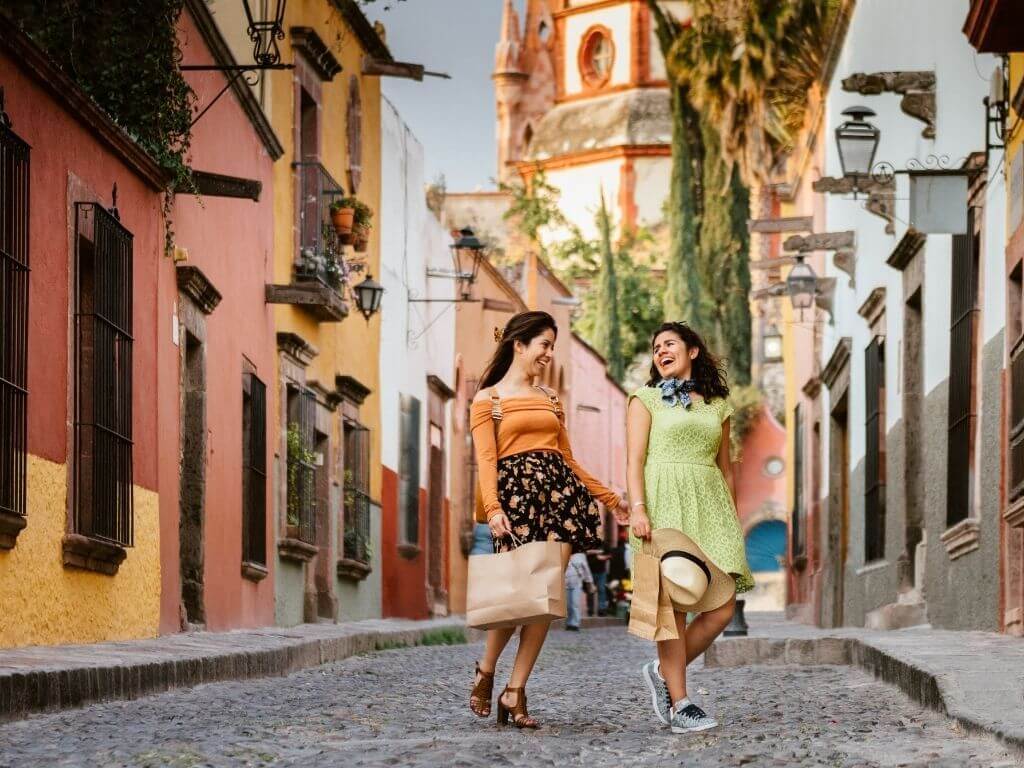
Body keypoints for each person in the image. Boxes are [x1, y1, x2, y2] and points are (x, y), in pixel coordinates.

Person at [468, 311, 628, 728]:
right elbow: (486, 461)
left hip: (559, 503)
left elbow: (568, 459)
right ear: (519, 344)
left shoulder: (551, 398)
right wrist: (494, 508)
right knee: (514, 597)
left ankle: (514, 691)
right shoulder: (488, 400)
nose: (548, 353)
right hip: (516, 504)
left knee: (544, 600)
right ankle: (486, 671)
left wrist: (610, 497)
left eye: (552, 346)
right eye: (544, 344)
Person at [626, 321, 754, 735]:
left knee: (722, 604)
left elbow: (725, 467)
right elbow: (634, 461)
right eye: (656, 346)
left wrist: (733, 518)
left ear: (692, 351)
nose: (661, 350)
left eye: (669, 343)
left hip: (711, 503)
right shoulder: (644, 399)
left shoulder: (718, 406)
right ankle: (681, 703)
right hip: (664, 502)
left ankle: (664, 670)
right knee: (675, 604)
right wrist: (639, 509)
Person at [565, 551, 594, 630]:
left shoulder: (580, 556)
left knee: (575, 603)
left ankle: (575, 623)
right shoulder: (562, 553)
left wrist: (589, 582)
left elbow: (586, 569)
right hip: (565, 583)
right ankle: (569, 622)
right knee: (568, 605)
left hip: (577, 582)